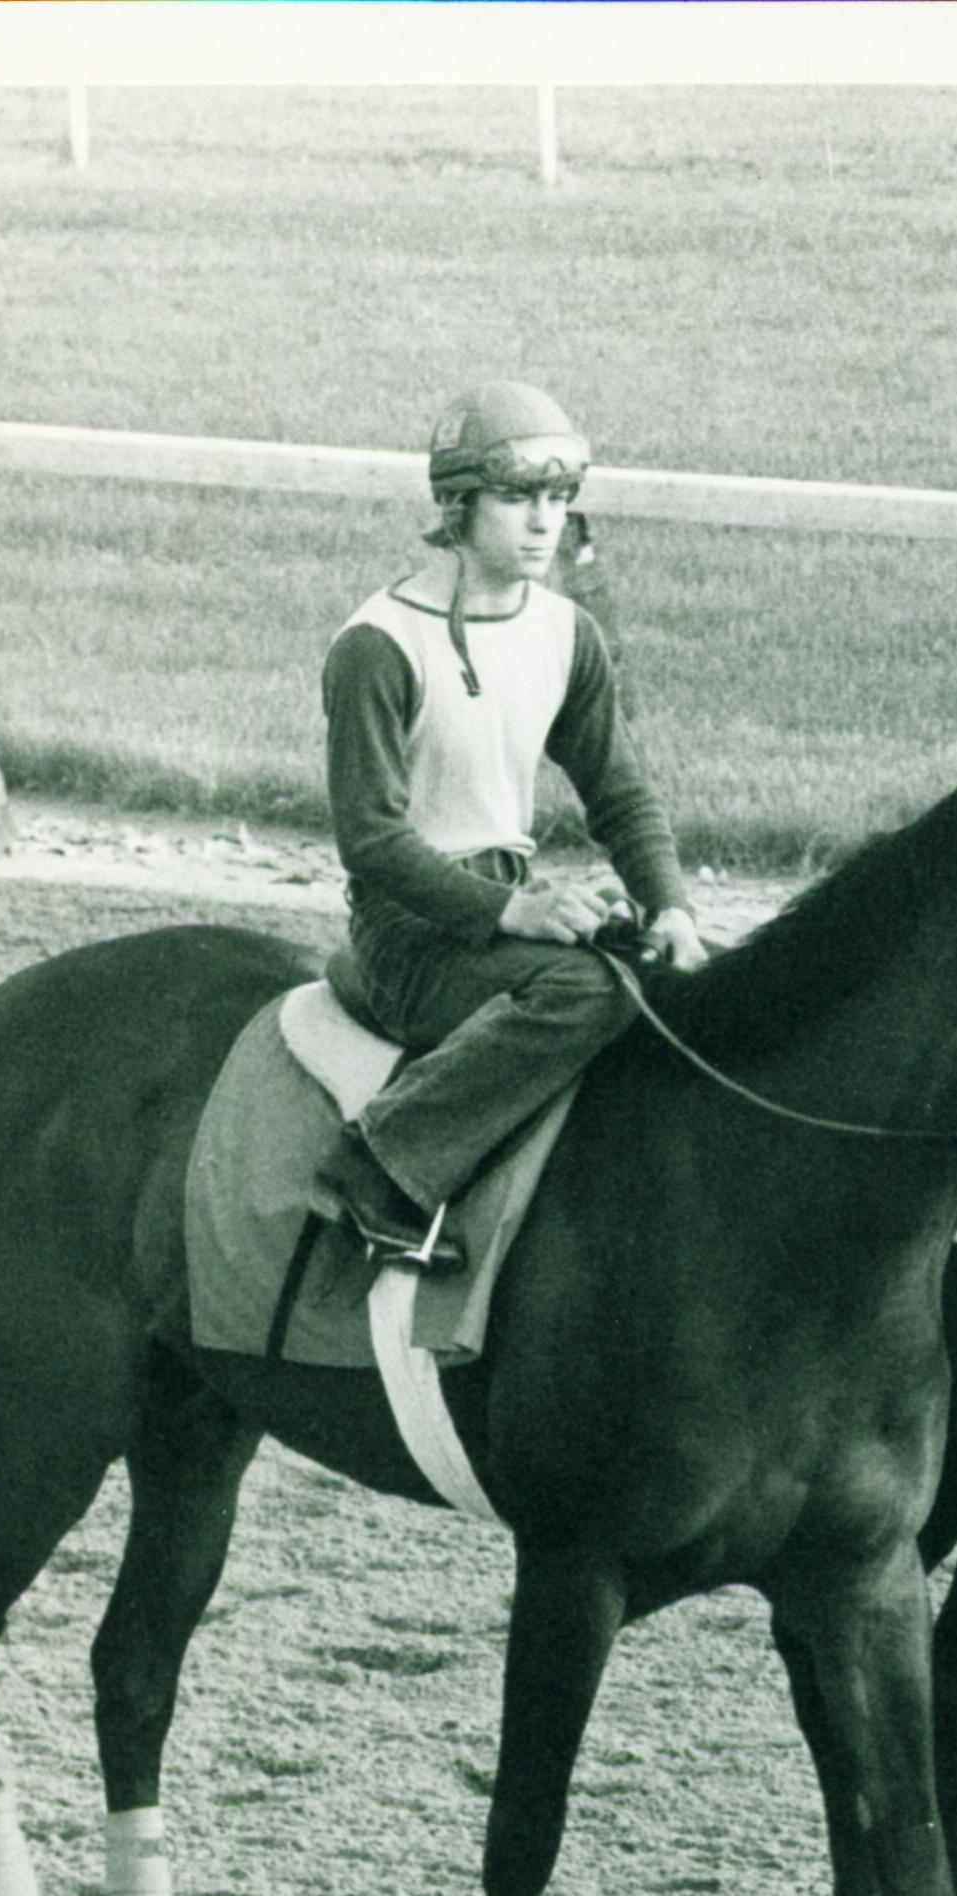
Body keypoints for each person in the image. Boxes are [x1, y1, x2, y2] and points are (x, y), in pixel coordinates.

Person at [313, 380, 709, 1271]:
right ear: (456, 505)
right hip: (408, 937)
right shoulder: (376, 648)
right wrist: (515, 913)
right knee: (589, 991)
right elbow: (371, 843)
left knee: (662, 978)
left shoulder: (567, 634)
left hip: (499, 916)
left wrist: (673, 909)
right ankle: (379, 1165)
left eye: (561, 499)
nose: (546, 523)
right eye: (520, 497)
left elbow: (623, 793)